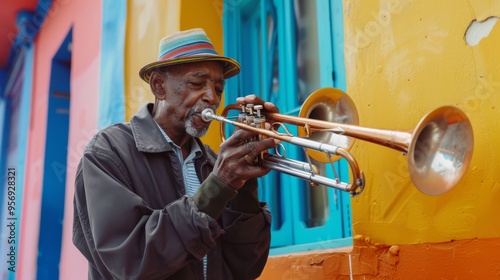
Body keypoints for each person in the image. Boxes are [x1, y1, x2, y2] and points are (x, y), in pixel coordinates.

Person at [72, 28, 280, 280]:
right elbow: (134, 261)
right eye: (196, 83)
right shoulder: (108, 152)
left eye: (218, 88)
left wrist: (245, 180)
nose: (212, 98)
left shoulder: (213, 163)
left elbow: (244, 268)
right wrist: (218, 186)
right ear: (159, 86)